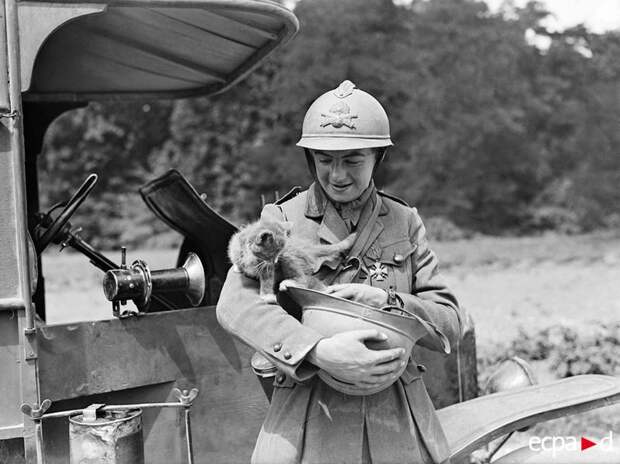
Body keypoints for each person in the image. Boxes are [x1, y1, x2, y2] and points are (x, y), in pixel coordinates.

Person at [216, 80, 463, 464]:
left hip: (397, 419)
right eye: (324, 160)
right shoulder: (280, 220)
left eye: (352, 160)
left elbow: (450, 322)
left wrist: (387, 299)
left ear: (378, 157)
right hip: (308, 417)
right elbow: (235, 304)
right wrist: (317, 350)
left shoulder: (404, 222)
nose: (337, 175)